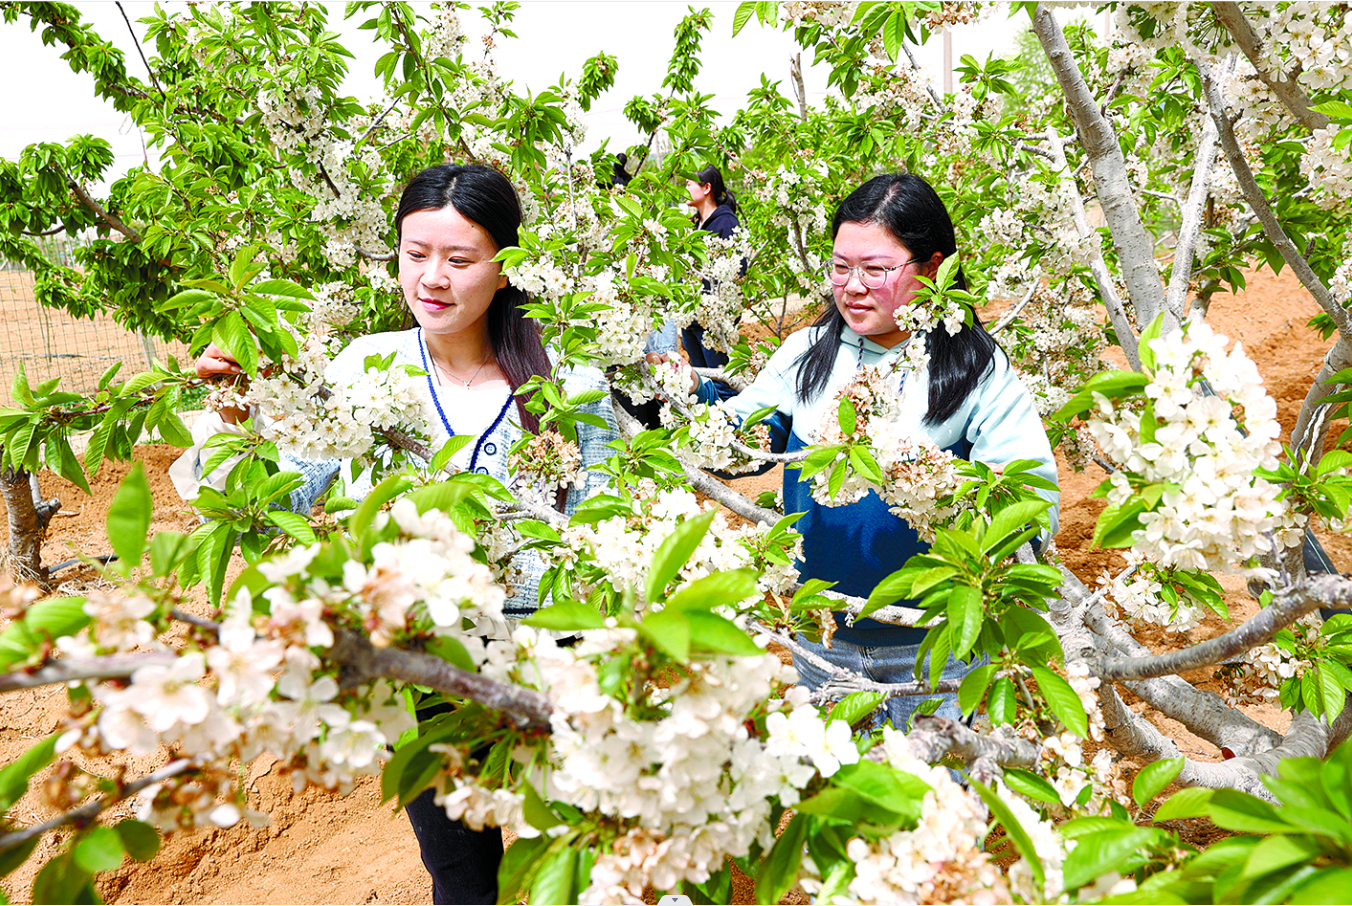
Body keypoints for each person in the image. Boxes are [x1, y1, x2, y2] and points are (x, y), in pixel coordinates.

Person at [173, 162, 620, 904]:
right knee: (461, 878)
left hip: (551, 665)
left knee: (570, 865)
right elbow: (261, 501)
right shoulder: (363, 368)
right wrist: (235, 423)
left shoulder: (566, 379)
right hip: (422, 670)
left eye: (459, 259)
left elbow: (603, 526)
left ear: (505, 268)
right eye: (415, 255)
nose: (432, 279)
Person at [670, 172, 1059, 730]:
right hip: (825, 639)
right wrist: (682, 396)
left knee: (932, 804)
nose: (852, 286)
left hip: (931, 648)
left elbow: (1035, 499)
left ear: (930, 268)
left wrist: (973, 495)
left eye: (875, 269)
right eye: (839, 266)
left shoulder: (973, 368)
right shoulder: (808, 353)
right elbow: (742, 440)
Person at [681, 164, 739, 372]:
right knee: (703, 378)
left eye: (688, 184)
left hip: (713, 322)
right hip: (691, 321)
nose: (684, 189)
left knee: (722, 379)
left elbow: (738, 269)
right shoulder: (692, 225)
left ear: (706, 188)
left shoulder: (725, 223)